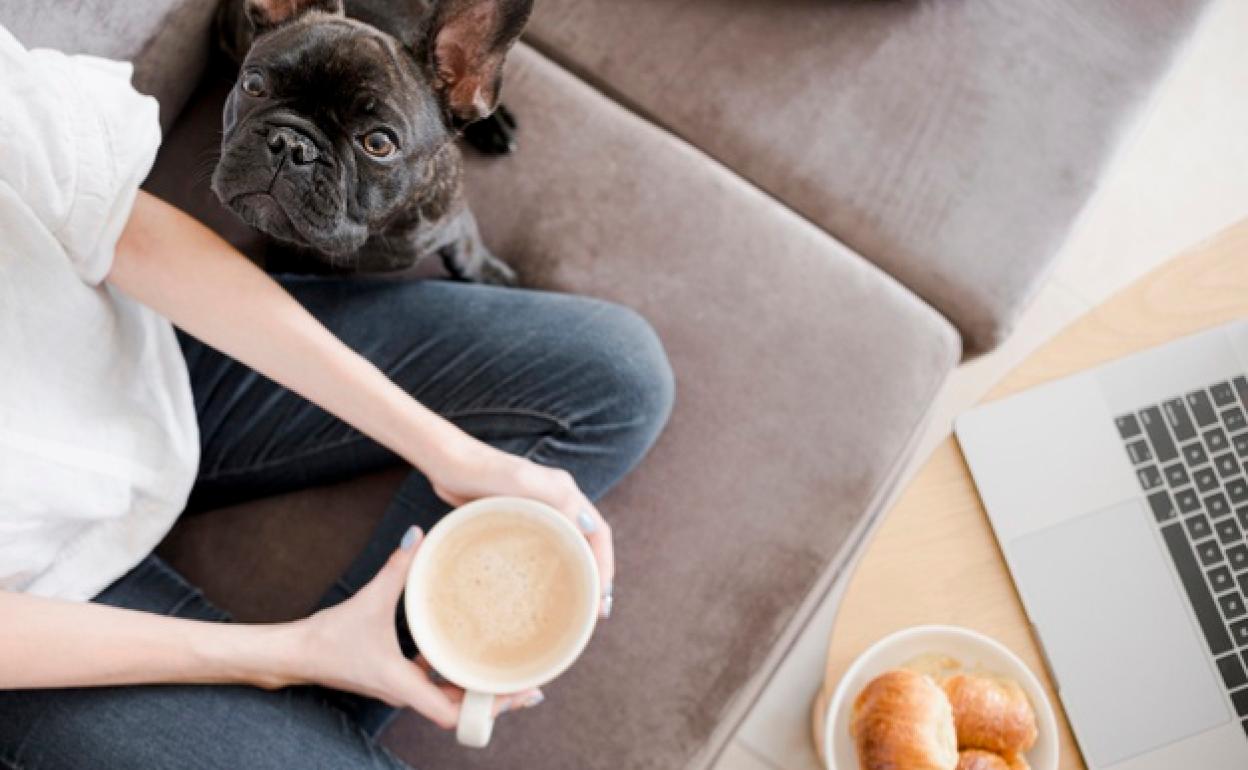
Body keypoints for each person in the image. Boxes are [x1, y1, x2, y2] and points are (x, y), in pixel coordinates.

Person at [0, 23, 673, 770]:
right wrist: (285, 655)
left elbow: (113, 220)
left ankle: (332, 701)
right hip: (44, 608)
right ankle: (328, 703)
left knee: (616, 372)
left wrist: (447, 450)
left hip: (138, 353)